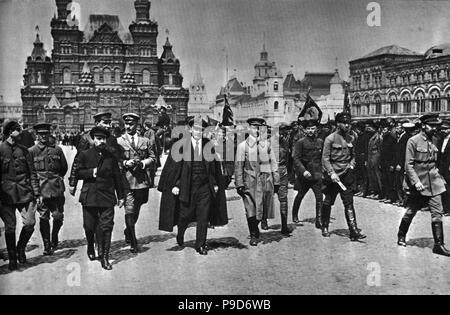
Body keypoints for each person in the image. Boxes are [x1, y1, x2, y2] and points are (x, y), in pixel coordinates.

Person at [158, 116, 228, 255]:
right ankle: (181, 233)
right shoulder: (181, 145)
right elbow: (173, 168)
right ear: (190, 129)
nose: (198, 132)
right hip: (186, 186)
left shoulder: (208, 145)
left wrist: (214, 183)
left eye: (201, 129)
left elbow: (213, 167)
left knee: (203, 215)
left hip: (204, 187)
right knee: (184, 215)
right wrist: (175, 185)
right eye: (196, 129)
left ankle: (200, 244)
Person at [397, 113, 450, 257]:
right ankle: (401, 235)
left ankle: (438, 245)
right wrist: (416, 182)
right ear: (423, 126)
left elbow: (437, 160)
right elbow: (408, 165)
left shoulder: (436, 139)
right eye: (431, 126)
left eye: (435, 126)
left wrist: (438, 175)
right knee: (411, 211)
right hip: (418, 184)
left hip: (434, 182)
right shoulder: (413, 141)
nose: (434, 128)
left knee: (437, 212)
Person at [76, 126, 125, 270]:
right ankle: (91, 245)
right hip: (90, 195)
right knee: (89, 226)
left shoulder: (111, 157)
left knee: (107, 227)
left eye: (103, 138)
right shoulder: (85, 154)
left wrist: (120, 196)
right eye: (98, 138)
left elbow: (117, 177)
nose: (101, 141)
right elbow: (78, 172)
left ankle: (104, 257)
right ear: (93, 139)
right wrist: (91, 172)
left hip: (107, 196)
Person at [0, 120, 41, 270]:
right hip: (7, 196)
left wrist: (37, 193)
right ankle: (12, 258)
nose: (21, 132)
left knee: (30, 223)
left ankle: (20, 248)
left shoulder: (25, 151)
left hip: (25, 193)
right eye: (18, 129)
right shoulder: (0, 150)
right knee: (10, 227)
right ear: (10, 132)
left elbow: (32, 173)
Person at [321, 112, 366, 241]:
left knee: (349, 202)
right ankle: (325, 226)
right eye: (344, 123)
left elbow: (353, 156)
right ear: (338, 124)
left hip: (346, 174)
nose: (347, 125)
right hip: (333, 176)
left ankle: (353, 230)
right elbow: (325, 158)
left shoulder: (351, 138)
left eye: (348, 123)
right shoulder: (330, 139)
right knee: (328, 201)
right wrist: (331, 173)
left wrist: (351, 166)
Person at [235, 118, 279, 246]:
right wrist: (239, 184)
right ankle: (254, 234)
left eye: (259, 128)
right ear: (249, 128)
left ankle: (257, 226)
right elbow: (239, 166)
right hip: (251, 182)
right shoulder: (243, 146)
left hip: (266, 180)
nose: (257, 131)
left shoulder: (267, 145)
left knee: (263, 208)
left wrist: (276, 181)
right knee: (251, 209)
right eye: (254, 127)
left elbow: (273, 163)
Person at [117, 113, 156, 253]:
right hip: (126, 181)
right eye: (126, 124)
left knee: (137, 208)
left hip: (141, 181)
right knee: (129, 209)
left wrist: (143, 163)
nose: (128, 126)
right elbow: (116, 160)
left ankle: (128, 230)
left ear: (137, 125)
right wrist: (125, 162)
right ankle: (133, 241)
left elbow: (153, 158)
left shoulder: (145, 141)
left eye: (131, 124)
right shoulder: (118, 141)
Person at [29, 123, 68, 255]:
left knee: (58, 217)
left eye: (46, 133)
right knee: (44, 217)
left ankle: (55, 236)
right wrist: (36, 192)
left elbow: (64, 168)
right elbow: (31, 173)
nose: (43, 136)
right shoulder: (32, 151)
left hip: (57, 189)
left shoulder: (57, 150)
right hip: (41, 191)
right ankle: (47, 244)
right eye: (41, 134)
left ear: (49, 134)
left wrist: (57, 179)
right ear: (36, 135)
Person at [292, 119, 324, 228]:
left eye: (313, 128)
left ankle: (319, 219)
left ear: (316, 129)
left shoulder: (320, 142)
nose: (310, 131)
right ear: (305, 130)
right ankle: (295, 214)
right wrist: (303, 171)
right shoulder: (300, 142)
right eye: (308, 129)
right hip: (305, 176)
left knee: (319, 197)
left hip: (317, 175)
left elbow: (323, 158)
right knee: (300, 195)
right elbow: (296, 159)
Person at [271, 122, 294, 235]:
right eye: (281, 130)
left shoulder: (285, 142)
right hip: (270, 173)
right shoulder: (268, 143)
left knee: (283, 199)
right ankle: (264, 221)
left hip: (283, 172)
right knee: (267, 198)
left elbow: (288, 158)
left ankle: (284, 226)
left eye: (285, 131)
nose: (283, 133)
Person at [380, 119, 397, 203]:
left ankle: (391, 198)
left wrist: (392, 164)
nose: (383, 131)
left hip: (389, 162)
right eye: (383, 129)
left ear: (389, 130)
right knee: (385, 180)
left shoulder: (392, 139)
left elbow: (394, 153)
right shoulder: (384, 139)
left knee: (390, 181)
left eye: (385, 130)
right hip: (384, 162)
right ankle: (386, 196)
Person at [367, 122, 383, 199]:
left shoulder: (378, 137)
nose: (369, 129)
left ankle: (380, 193)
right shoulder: (372, 137)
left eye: (371, 128)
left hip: (376, 157)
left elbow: (380, 150)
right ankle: (375, 191)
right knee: (372, 176)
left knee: (377, 176)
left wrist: (379, 160)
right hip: (371, 157)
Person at [438, 119, 450, 216]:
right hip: (442, 167)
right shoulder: (441, 139)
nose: (443, 131)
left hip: (449, 167)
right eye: (442, 129)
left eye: (445, 129)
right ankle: (445, 208)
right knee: (443, 188)